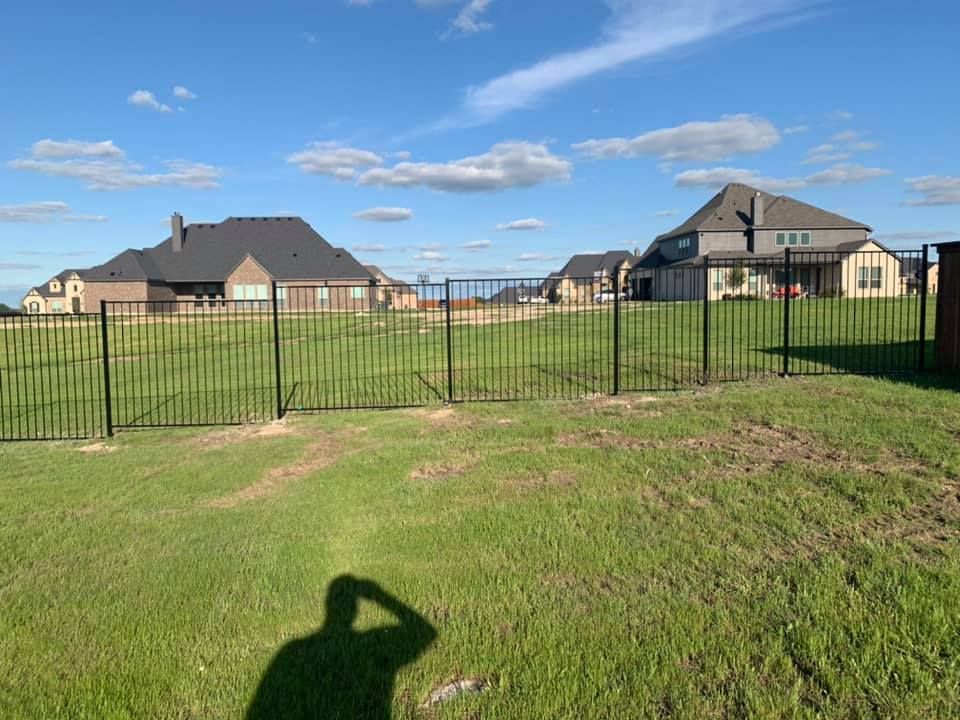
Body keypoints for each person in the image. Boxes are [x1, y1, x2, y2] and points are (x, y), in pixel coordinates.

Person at [246, 575, 437, 720]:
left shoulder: (291, 652)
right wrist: (379, 596)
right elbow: (426, 631)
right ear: (355, 610)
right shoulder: (369, 643)